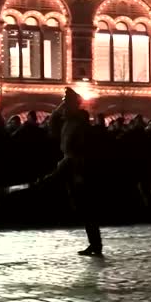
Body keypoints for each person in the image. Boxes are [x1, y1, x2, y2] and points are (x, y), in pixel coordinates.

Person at [38, 88, 104, 256]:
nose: (64, 109)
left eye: (67, 105)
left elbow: (83, 149)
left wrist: (79, 172)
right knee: (83, 207)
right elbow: (52, 123)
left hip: (76, 167)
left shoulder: (79, 124)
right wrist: (63, 104)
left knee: (86, 207)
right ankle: (95, 244)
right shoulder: (68, 122)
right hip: (69, 164)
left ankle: (95, 244)